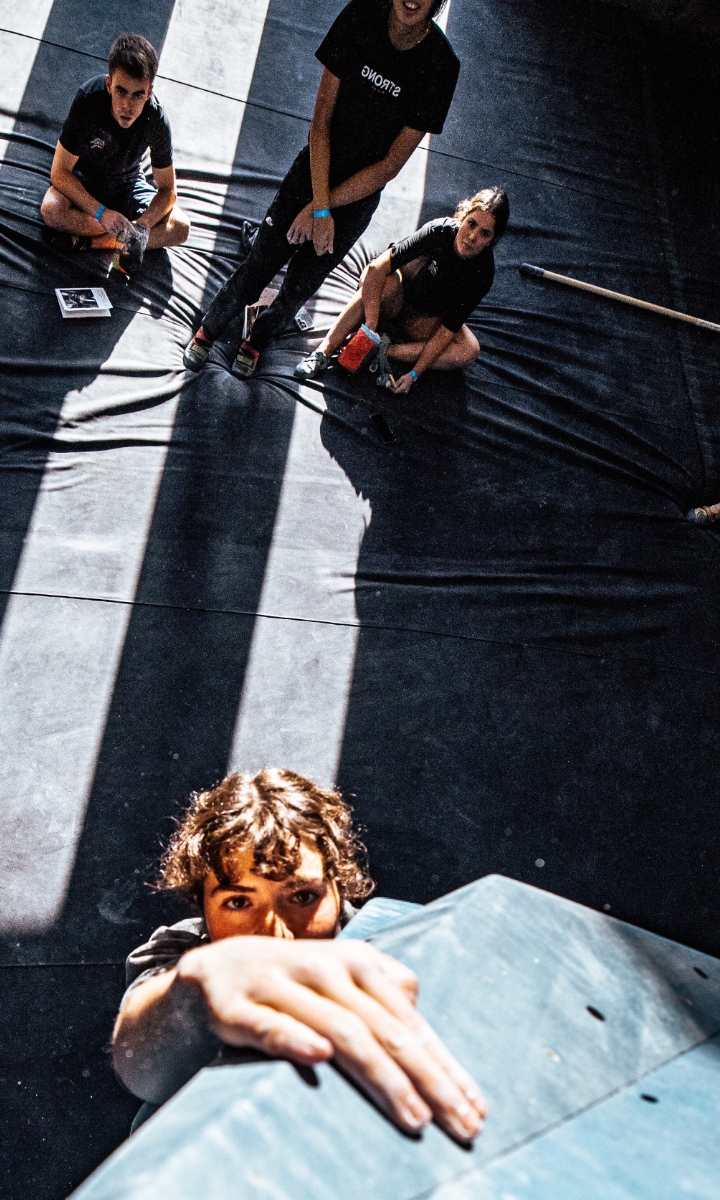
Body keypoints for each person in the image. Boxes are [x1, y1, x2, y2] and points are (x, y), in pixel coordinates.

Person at [112, 769, 486, 1142]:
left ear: (340, 889)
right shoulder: (178, 952)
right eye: (239, 902)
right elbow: (143, 1066)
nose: (275, 932)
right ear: (202, 907)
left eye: (302, 897)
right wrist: (192, 995)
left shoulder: (404, 940)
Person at [182, 0, 460, 379]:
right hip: (315, 169)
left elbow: (389, 167)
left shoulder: (442, 65)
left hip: (358, 196)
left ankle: (256, 340)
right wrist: (319, 207)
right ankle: (209, 329)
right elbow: (321, 122)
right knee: (258, 265)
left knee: (300, 287)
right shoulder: (361, 15)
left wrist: (325, 211)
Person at [295, 187, 509, 393]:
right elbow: (376, 268)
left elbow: (447, 331)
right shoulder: (439, 231)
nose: (472, 237)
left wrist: (414, 374)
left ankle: (384, 350)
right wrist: (370, 326)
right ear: (464, 216)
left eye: (484, 233)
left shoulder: (483, 273)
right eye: (471, 224)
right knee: (382, 283)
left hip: (423, 319)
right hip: (393, 297)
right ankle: (323, 352)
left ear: (493, 240)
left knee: (468, 351)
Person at [40, 34, 190, 254]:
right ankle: (124, 240)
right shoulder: (88, 99)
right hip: (87, 181)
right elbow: (60, 172)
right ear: (109, 85)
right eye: (121, 92)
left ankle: (96, 243)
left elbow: (168, 190)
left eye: (138, 95)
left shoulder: (156, 118)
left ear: (149, 92)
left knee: (180, 227)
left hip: (128, 184)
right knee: (52, 210)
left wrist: (142, 226)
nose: (127, 106)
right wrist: (102, 213)